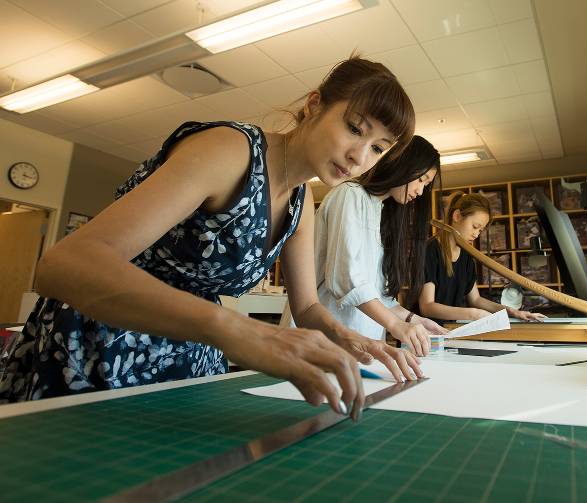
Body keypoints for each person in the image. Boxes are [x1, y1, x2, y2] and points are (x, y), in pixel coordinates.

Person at [0, 56, 421, 420]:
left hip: (186, 358)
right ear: (314, 105)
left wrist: (354, 339)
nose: (360, 157)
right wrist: (238, 330)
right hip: (101, 347)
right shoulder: (231, 150)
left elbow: (307, 305)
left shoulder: (300, 201)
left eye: (379, 149)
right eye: (354, 129)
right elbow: (64, 265)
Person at [309, 135, 447, 357]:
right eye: (421, 180)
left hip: (364, 347)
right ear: (403, 164)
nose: (420, 192)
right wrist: (396, 326)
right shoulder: (350, 195)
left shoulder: (380, 212)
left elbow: (379, 298)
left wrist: (414, 319)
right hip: (325, 340)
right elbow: (346, 281)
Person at [417, 192, 547, 323]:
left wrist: (512, 312)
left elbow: (476, 300)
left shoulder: (466, 254)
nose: (476, 234)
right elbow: (427, 307)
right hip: (425, 334)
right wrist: (472, 314)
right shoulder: (430, 250)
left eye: (480, 230)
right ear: (456, 216)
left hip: (450, 331)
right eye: (475, 226)